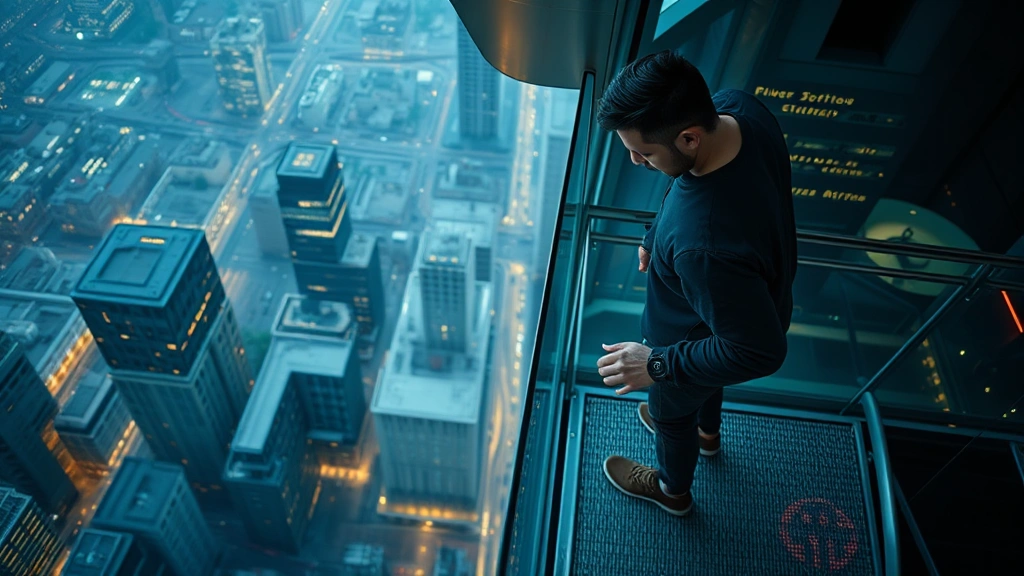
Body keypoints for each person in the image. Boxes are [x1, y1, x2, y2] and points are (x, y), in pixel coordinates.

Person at [594, 50, 796, 516]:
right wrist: (656, 233)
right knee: (702, 388)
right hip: (753, 302)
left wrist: (657, 365)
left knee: (669, 417)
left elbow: (757, 351)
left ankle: (673, 491)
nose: (635, 161)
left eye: (644, 152)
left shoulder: (702, 245)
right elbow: (685, 185)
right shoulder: (739, 110)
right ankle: (707, 437)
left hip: (685, 345)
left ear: (688, 138)